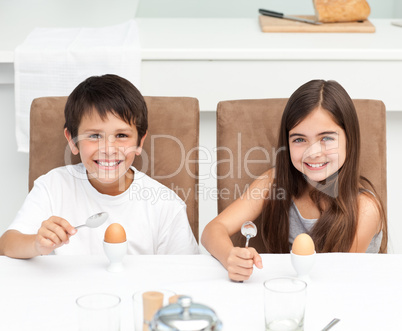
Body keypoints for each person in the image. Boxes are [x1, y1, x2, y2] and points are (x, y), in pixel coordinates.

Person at [201, 79, 387, 281]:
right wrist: (230, 256)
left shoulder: (365, 208)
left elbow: (336, 278)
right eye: (299, 139)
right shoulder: (273, 183)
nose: (313, 152)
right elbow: (213, 230)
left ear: (349, 140)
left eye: (326, 138)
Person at [0, 74, 199, 258]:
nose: (108, 149)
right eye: (95, 136)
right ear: (72, 140)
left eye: (121, 136)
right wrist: (36, 244)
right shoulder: (52, 187)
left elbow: (185, 272)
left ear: (139, 142)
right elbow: (7, 244)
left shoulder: (165, 206)